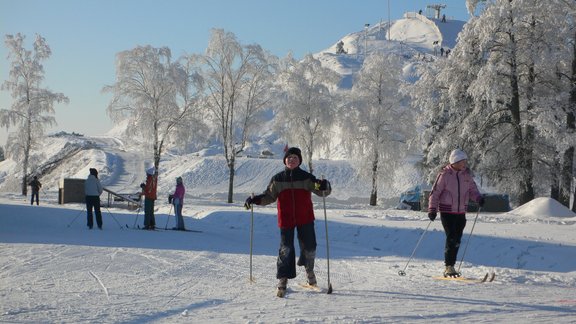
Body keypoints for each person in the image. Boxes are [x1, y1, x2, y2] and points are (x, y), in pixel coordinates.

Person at [244, 147, 332, 297]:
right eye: (289, 157)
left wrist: (325, 185)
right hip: (286, 219)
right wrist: (255, 200)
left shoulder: (306, 178)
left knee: (309, 246)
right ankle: (283, 280)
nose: (292, 160)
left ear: (299, 161)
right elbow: (269, 196)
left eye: (295, 158)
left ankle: (309, 271)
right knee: (286, 249)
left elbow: (321, 190)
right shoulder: (278, 179)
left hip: (305, 217)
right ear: (284, 160)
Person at [428, 149, 484, 277]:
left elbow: (472, 190)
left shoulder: (466, 175)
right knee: (451, 237)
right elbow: (435, 193)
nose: (465, 163)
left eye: (465, 161)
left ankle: (452, 265)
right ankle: (449, 266)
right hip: (447, 212)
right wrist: (432, 209)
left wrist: (478, 198)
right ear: (455, 161)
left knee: (457, 239)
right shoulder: (445, 175)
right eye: (462, 161)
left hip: (461, 212)